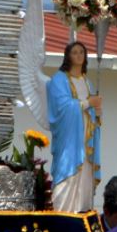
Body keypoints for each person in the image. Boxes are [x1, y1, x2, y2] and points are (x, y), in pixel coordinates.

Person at [47, 42, 102, 213]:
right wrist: (87, 103)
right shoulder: (59, 79)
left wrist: (97, 111)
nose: (79, 55)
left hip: (86, 137)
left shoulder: (88, 82)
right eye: (74, 52)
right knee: (67, 171)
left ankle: (81, 210)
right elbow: (61, 108)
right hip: (69, 138)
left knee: (85, 171)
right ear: (67, 56)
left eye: (81, 52)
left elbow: (92, 110)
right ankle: (63, 211)